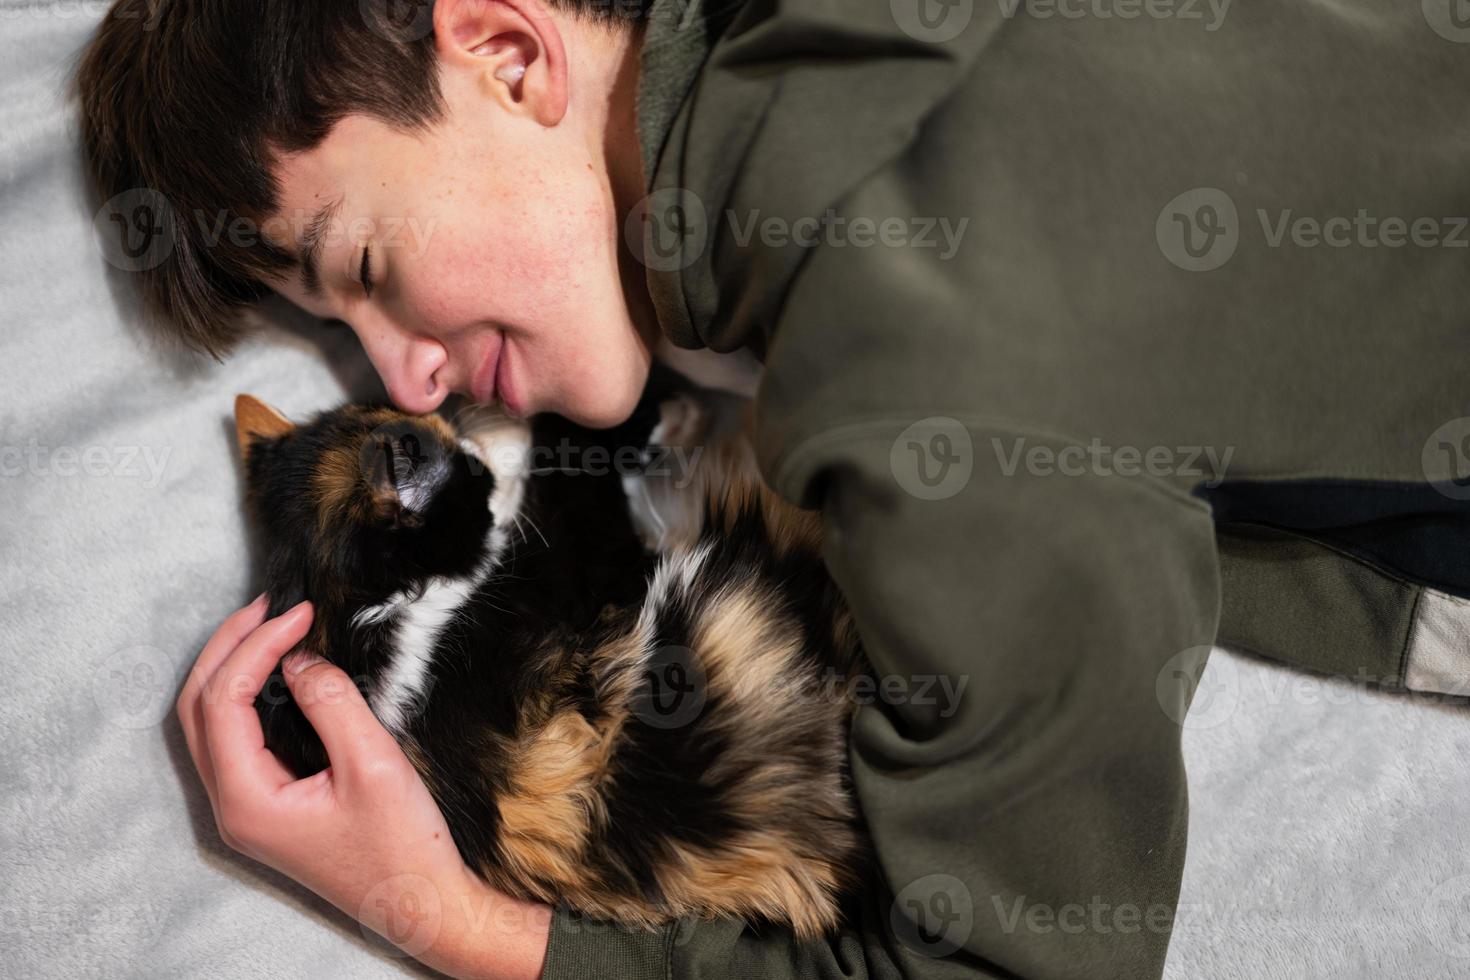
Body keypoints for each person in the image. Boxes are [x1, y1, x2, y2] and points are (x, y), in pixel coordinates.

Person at [77, 0, 1470, 977]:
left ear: (505, 51)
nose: (408, 380)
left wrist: (452, 921)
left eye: (370, 271)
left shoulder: (920, 377)